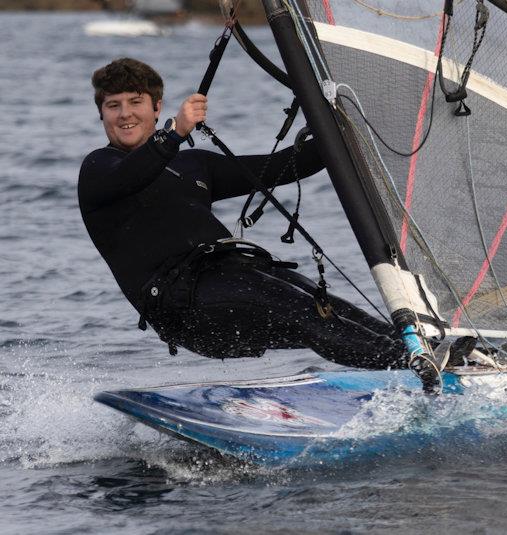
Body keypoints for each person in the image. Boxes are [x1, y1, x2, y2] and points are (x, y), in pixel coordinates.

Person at [78, 57, 407, 369]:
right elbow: (134, 175)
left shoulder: (193, 164)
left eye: (135, 102)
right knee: (298, 307)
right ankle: (414, 366)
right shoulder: (99, 168)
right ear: (101, 114)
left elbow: (282, 167)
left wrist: (338, 122)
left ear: (156, 106)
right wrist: (175, 132)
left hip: (236, 280)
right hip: (183, 307)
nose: (125, 114)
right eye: (113, 105)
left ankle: (433, 357)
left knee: (330, 308)